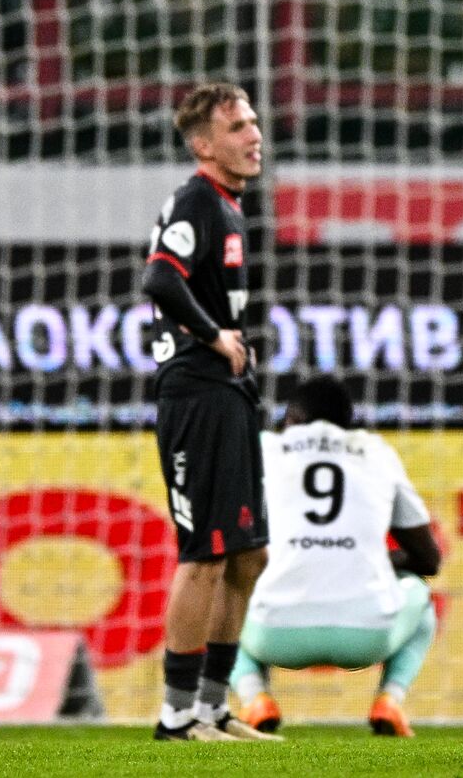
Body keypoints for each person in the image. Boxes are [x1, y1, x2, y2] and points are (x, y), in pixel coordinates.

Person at [143, 82, 277, 741]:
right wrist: (214, 336)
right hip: (195, 391)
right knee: (204, 555)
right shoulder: (197, 200)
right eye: (236, 127)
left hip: (229, 394)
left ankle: (213, 707)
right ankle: (175, 717)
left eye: (253, 122)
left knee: (248, 555)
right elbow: (160, 277)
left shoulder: (228, 206)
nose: (254, 135)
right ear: (204, 144)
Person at [231, 375, 441, 737]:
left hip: (272, 635)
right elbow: (429, 559)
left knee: (217, 592)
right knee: (421, 598)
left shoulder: (264, 447)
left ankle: (254, 699)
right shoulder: (376, 451)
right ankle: (389, 701)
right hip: (366, 638)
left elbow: (227, 533)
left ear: (291, 420)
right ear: (348, 423)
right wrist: (374, 557)